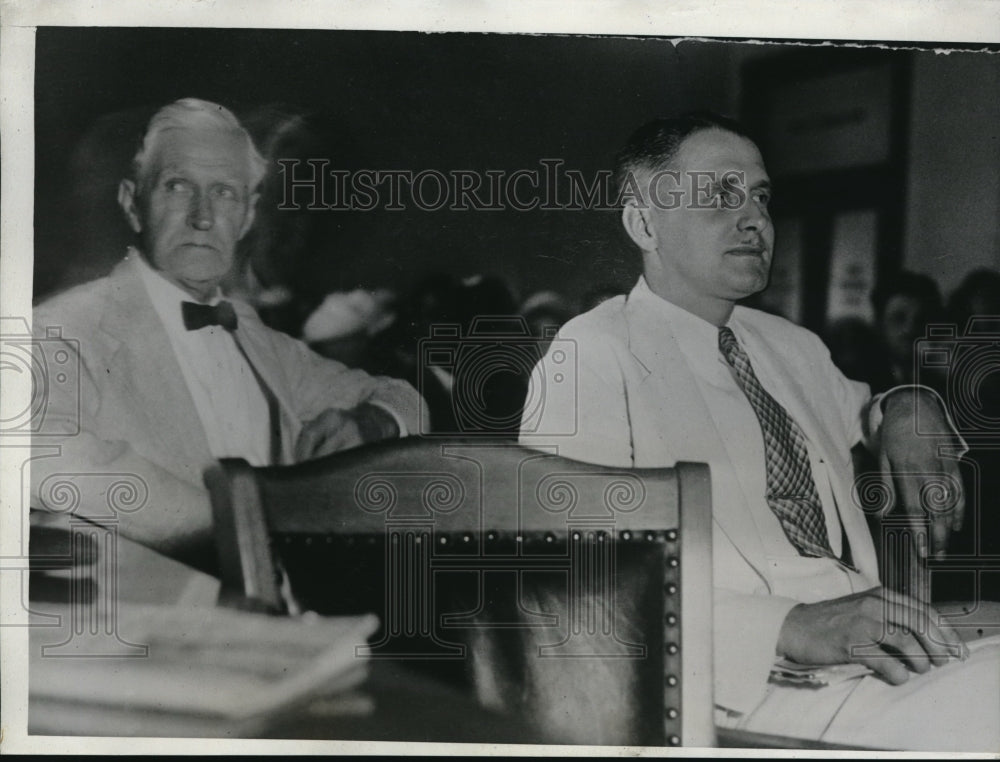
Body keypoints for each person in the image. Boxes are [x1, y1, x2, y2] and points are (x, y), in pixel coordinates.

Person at [520, 113, 998, 750]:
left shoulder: (789, 345)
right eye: (721, 194)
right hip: (730, 690)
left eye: (761, 196)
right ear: (643, 223)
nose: (755, 220)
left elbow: (868, 410)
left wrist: (909, 404)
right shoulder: (591, 353)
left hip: (874, 653)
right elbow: (572, 582)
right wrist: (790, 627)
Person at [31, 98, 425, 571]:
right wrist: (249, 530)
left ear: (247, 215)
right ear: (132, 202)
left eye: (224, 194)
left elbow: (402, 399)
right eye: (177, 187)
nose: (202, 217)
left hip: (291, 618)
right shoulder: (60, 329)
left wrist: (371, 422)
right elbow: (48, 457)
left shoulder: (254, 336)